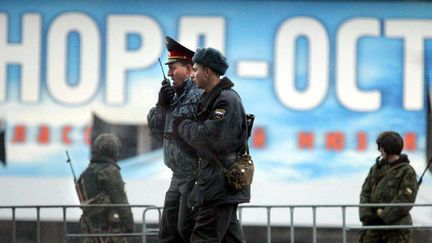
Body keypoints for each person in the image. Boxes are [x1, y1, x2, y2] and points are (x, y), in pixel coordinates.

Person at [173, 47, 250, 242]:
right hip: (215, 184)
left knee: (202, 238)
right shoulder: (212, 99)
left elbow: (207, 138)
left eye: (196, 69)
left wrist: (182, 125)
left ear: (208, 71)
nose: (192, 75)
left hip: (219, 185)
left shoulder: (226, 101)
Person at [147, 36, 202, 242]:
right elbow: (154, 130)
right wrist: (162, 105)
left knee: (187, 231)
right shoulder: (173, 96)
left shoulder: (198, 96)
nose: (169, 73)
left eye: (174, 67)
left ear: (189, 70)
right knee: (168, 234)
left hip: (194, 177)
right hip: (177, 176)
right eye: (168, 68)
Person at [359, 131, 418, 243]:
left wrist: (383, 218)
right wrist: (366, 216)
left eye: (382, 147)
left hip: (395, 231)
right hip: (373, 230)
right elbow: (365, 192)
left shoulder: (406, 171)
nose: (380, 150)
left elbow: (405, 200)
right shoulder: (376, 168)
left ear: (389, 148)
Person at [78, 133, 134, 243]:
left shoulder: (86, 173)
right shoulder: (110, 171)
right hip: (111, 232)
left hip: (91, 232)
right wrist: (130, 226)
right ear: (113, 151)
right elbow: (120, 202)